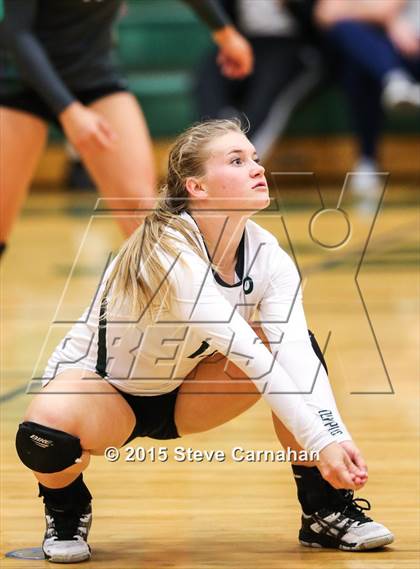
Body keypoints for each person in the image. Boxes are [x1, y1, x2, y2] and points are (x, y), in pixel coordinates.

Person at [16, 119, 394, 563]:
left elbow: (296, 355)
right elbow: (244, 351)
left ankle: (324, 510)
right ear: (196, 187)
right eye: (236, 160)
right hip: (106, 395)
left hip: (186, 393)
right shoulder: (166, 248)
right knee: (44, 437)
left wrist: (333, 437)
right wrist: (321, 441)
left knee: (294, 350)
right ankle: (66, 508)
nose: (257, 167)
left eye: (254, 158)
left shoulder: (268, 256)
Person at [0, 0, 254, 259]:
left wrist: (225, 33)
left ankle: (167, 283)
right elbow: (16, 33)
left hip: (95, 78)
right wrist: (69, 110)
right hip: (22, 81)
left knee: (141, 209)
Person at [314, 0, 420, 194]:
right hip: (379, 51)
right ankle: (368, 159)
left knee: (360, 55)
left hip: (411, 46)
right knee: (351, 45)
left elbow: (384, 9)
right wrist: (385, 19)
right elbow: (324, 13)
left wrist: (387, 20)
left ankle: (395, 80)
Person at [196, 0, 321, 159]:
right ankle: (214, 149)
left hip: (291, 44)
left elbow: (322, 19)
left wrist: (294, 4)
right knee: (210, 74)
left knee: (269, 87)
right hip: (245, 40)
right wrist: (228, 36)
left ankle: (242, 158)